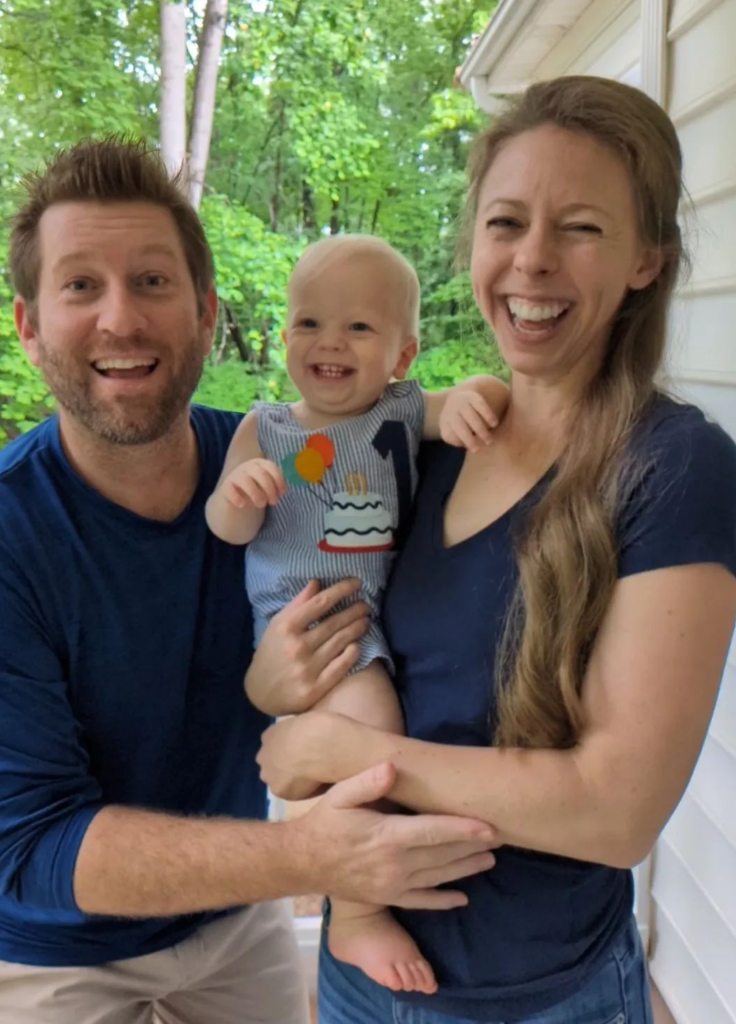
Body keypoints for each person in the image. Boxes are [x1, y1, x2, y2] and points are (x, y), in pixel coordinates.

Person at [0, 138, 501, 1024]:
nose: (119, 320)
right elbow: (30, 843)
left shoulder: (288, 465)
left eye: (151, 282)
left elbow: (428, 476)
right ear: (27, 327)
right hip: (50, 950)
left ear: (206, 313)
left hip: (231, 915)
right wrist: (320, 862)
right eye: (79, 286)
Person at [253, 76, 736, 1024]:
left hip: (539, 997)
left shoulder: (673, 467)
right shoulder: (422, 449)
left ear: (647, 259)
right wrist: (280, 686)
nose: (531, 262)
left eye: (581, 229)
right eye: (506, 222)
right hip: (360, 974)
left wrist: (350, 750)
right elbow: (322, 632)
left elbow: (616, 809)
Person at [206, 233, 509, 996]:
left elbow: (463, 405)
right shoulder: (267, 428)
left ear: (401, 357)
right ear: (283, 339)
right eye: (309, 324)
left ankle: (350, 886)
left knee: (349, 755)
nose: (329, 342)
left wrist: (483, 395)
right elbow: (222, 526)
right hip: (302, 620)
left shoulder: (400, 414)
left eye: (357, 328)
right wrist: (238, 494)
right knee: (368, 729)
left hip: (369, 610)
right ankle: (357, 913)